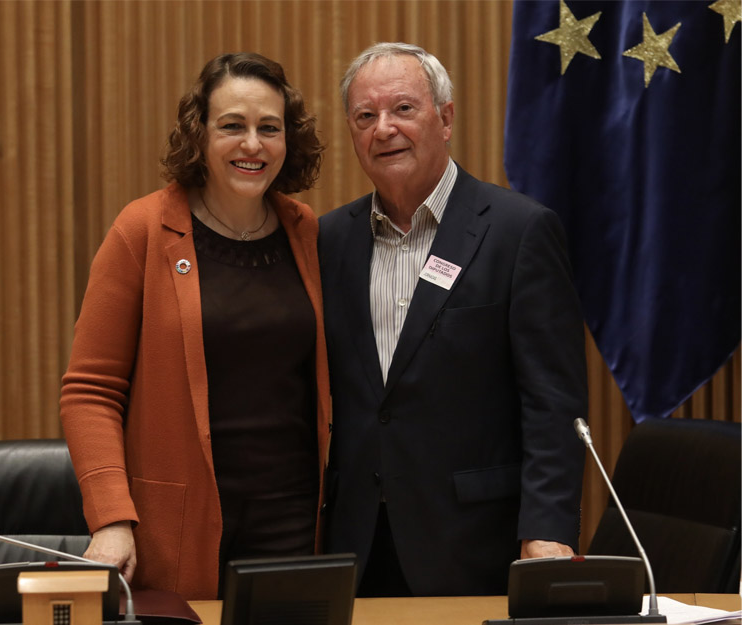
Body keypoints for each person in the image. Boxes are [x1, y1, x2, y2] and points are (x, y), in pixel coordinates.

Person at [319, 42, 588, 597]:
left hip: (475, 542)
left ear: (444, 118)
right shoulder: (329, 239)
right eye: (365, 116)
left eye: (403, 109)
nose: (384, 129)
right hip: (357, 543)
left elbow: (553, 402)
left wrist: (546, 532)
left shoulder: (518, 231)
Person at [60, 52, 330, 600]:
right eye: (232, 126)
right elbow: (89, 391)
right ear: (199, 135)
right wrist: (110, 517)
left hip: (294, 525)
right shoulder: (144, 230)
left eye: (269, 128)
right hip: (180, 526)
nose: (252, 144)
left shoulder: (306, 232)